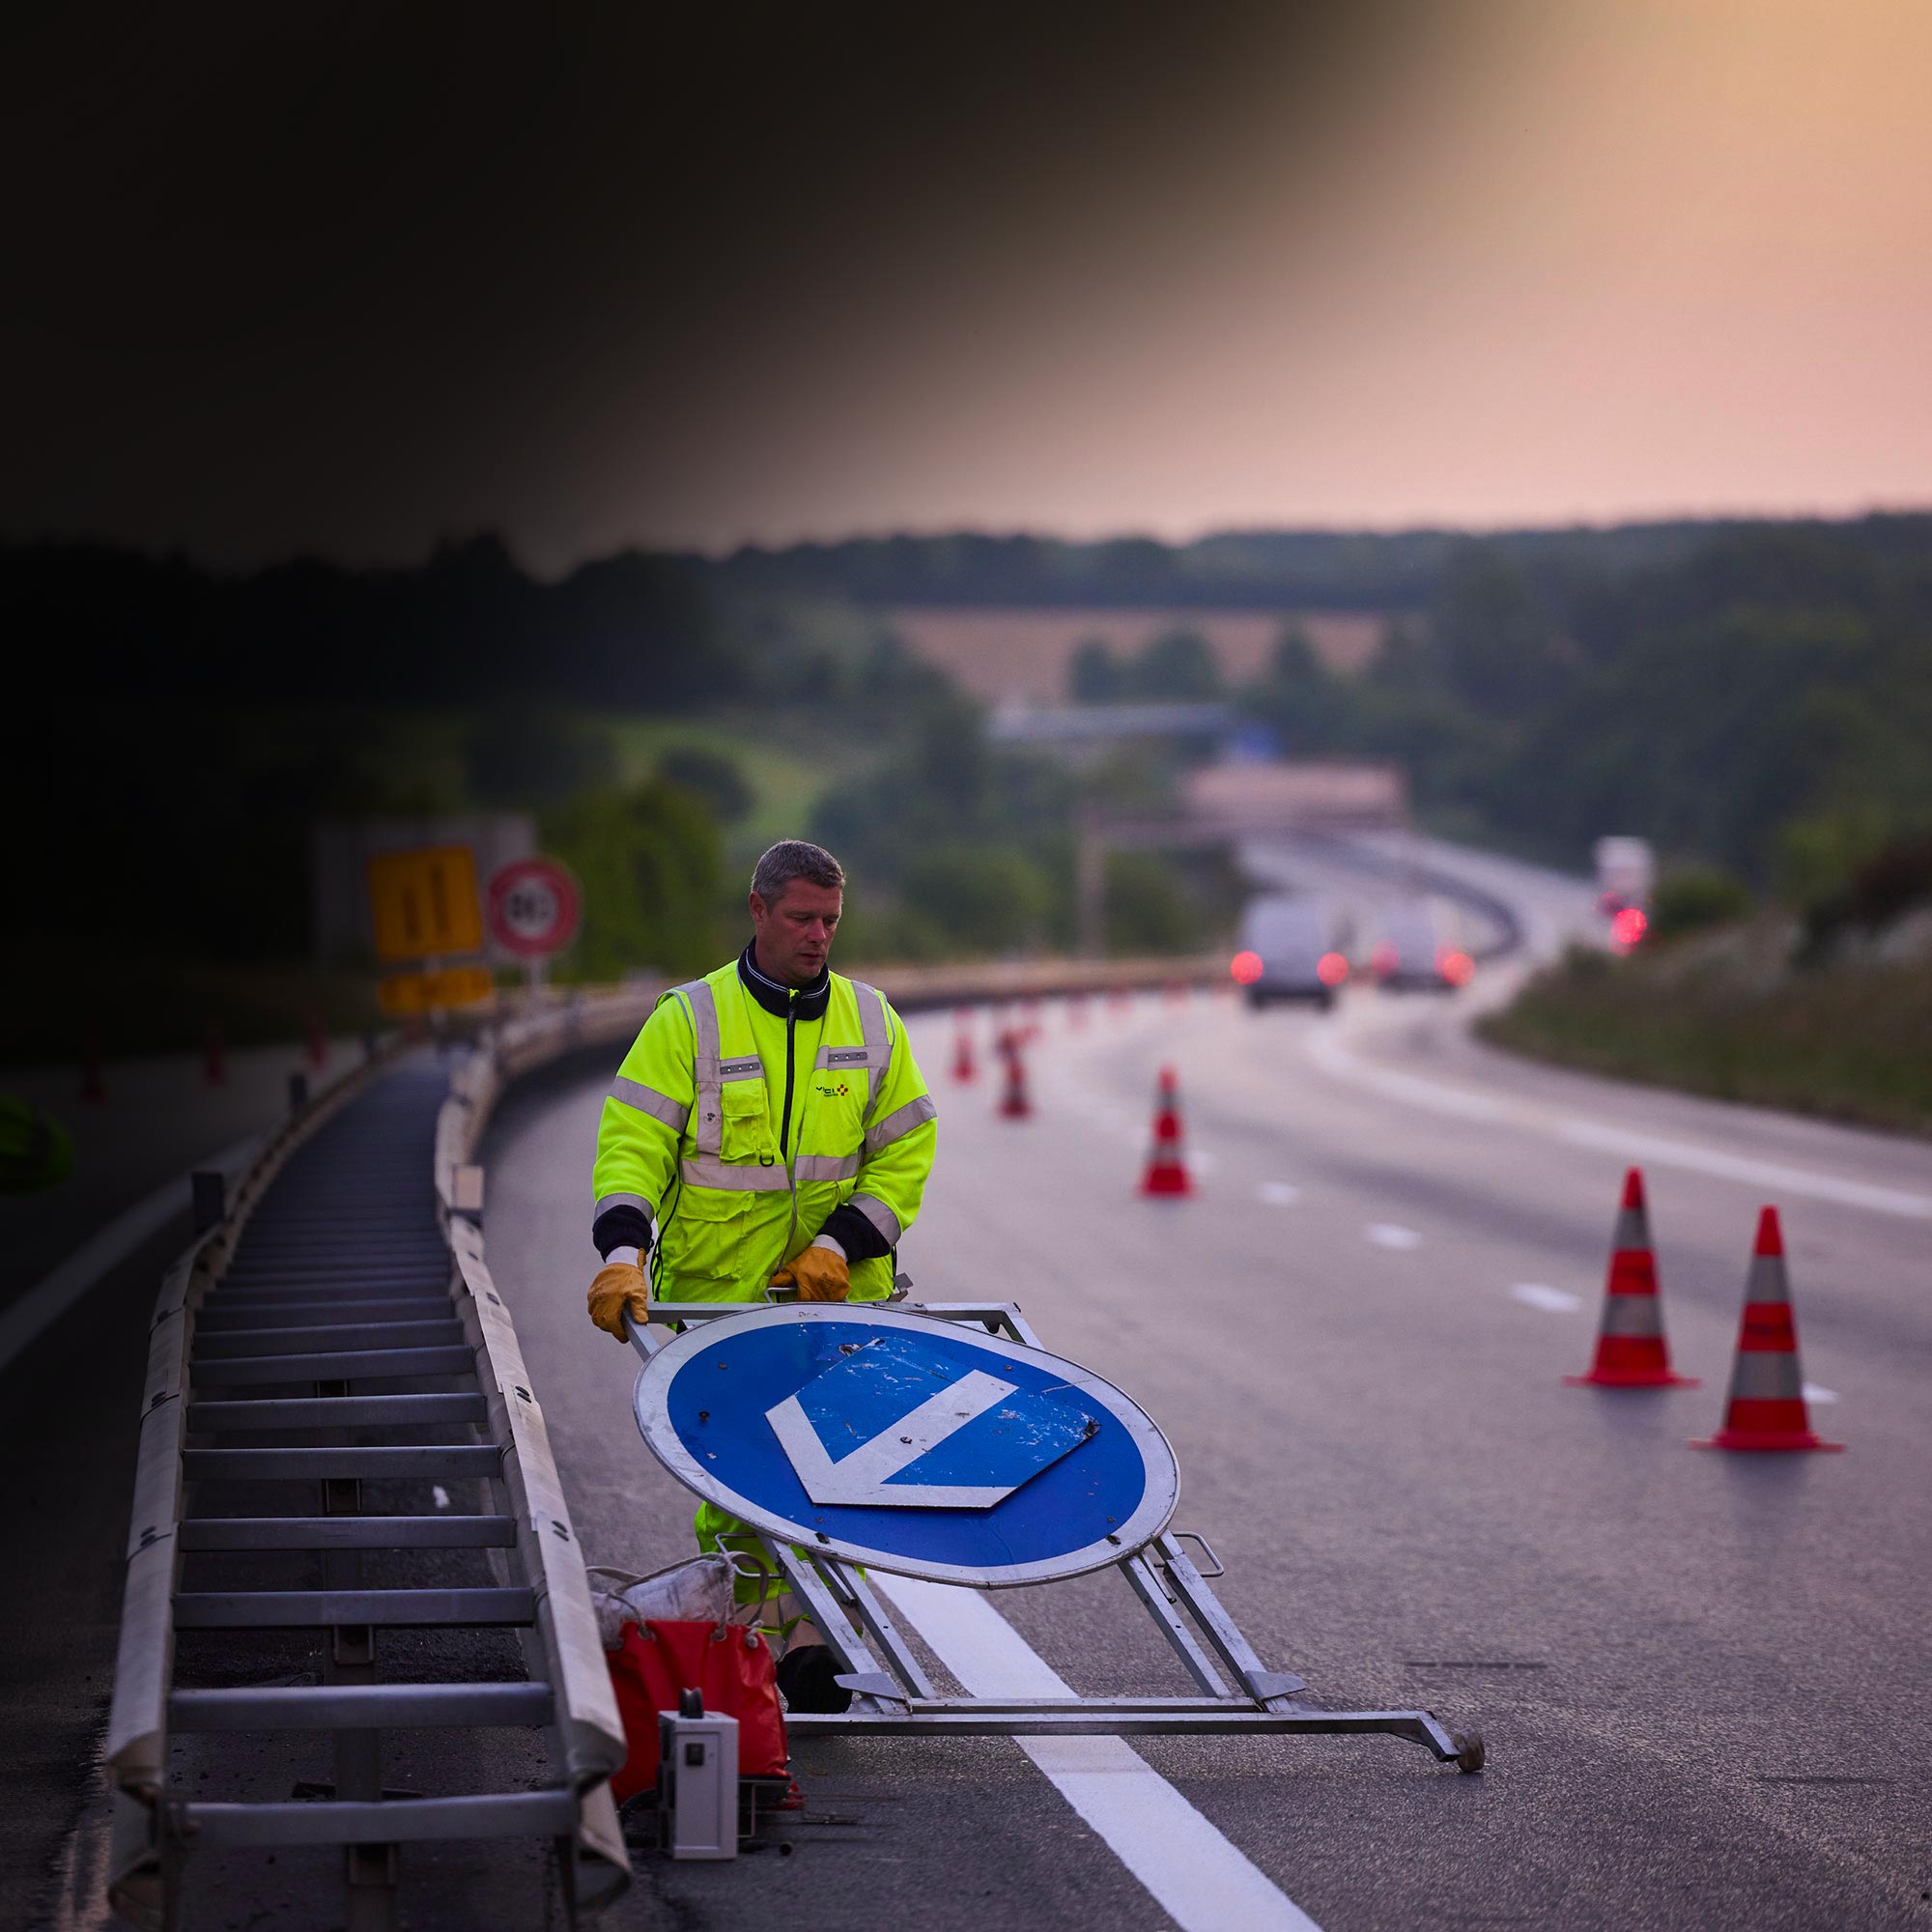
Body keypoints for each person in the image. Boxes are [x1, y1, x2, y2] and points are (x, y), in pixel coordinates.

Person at [584, 838, 937, 1710]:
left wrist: (841, 1244)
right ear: (758, 910)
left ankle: (795, 1643)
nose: (819, 936)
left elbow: (904, 1158)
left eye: (830, 921)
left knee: (830, 1475)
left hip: (834, 1304)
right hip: (716, 1307)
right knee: (741, 1483)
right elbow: (633, 1149)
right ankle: (774, 1649)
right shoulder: (689, 1020)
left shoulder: (871, 1019)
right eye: (801, 918)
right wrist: (624, 1256)